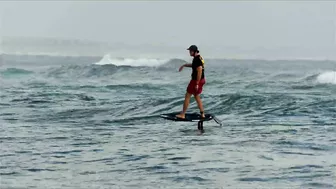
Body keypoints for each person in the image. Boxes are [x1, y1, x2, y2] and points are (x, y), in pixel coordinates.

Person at [176, 45, 206, 119]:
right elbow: (195, 66)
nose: (189, 52)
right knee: (196, 96)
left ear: (195, 51)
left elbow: (199, 70)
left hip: (196, 81)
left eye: (191, 51)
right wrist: (185, 65)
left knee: (187, 96)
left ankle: (183, 114)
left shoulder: (197, 59)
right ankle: (202, 114)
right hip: (202, 80)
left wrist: (196, 83)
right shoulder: (199, 58)